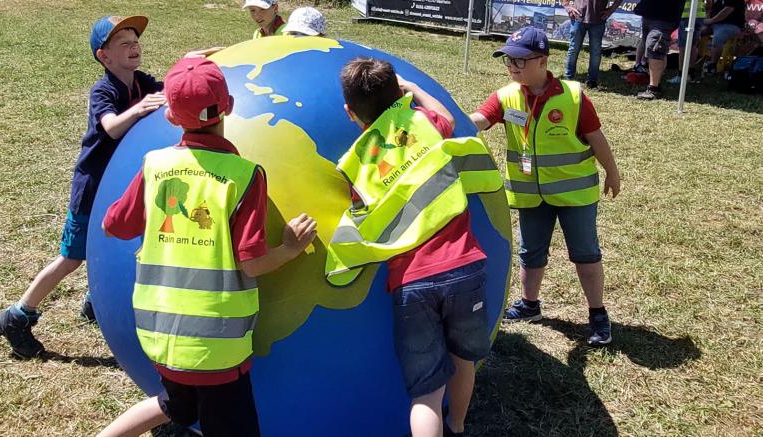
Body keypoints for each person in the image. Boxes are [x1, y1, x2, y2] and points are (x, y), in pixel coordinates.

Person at [97, 57, 316, 437]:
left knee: (175, 404)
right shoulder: (244, 175)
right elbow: (253, 264)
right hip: (216, 348)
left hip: (160, 336)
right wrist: (291, 248)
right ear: (228, 105)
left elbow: (112, 226)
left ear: (169, 117)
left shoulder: (155, 165)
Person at [326, 58, 503, 437]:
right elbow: (447, 118)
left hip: (410, 282)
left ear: (349, 112)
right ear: (398, 93)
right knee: (464, 360)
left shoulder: (354, 165)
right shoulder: (424, 123)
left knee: (425, 392)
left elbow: (360, 217)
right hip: (464, 266)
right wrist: (415, 89)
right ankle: (456, 425)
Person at [0, 15, 166, 359]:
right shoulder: (104, 90)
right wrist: (139, 109)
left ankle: (93, 302)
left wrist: (200, 60)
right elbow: (112, 127)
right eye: (124, 44)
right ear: (104, 56)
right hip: (92, 189)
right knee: (72, 258)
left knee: (118, 243)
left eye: (136, 41)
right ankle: (17, 316)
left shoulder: (140, 81)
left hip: (117, 187)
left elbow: (172, 85)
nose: (134, 48)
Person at [469, 27, 622, 347]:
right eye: (508, 59)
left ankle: (597, 314)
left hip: (575, 194)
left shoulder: (574, 96)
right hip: (531, 195)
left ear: (542, 60)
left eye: (520, 60)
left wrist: (612, 171)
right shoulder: (505, 96)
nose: (512, 66)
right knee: (530, 252)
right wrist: (445, 121)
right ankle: (529, 305)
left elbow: (596, 138)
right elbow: (478, 121)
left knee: (585, 253)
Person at [560, 0, 624, 88]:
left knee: (596, 52)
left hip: (598, 21)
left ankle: (592, 80)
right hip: (578, 18)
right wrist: (568, 7)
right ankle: (568, 77)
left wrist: (610, 10)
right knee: (574, 49)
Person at [634, 0, 689, 99]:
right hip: (649, 13)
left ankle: (654, 89)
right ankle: (655, 84)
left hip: (664, 16)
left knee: (655, 49)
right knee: (656, 49)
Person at [670, 0, 708, 84]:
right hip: (699, 16)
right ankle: (690, 74)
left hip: (686, 15)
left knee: (683, 47)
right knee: (693, 46)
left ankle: (681, 75)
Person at [704, 0, 747, 74]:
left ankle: (712, 65)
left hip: (731, 24)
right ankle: (688, 64)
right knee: (694, 31)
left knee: (718, 36)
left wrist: (711, 21)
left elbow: (727, 10)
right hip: (714, 24)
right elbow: (709, 9)